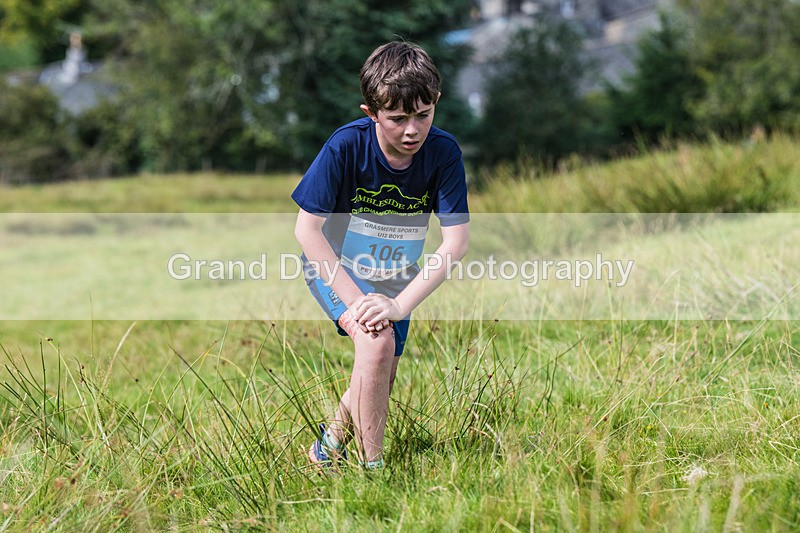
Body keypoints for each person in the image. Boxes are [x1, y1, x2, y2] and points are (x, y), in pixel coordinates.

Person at [292, 41, 470, 470]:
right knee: (376, 345)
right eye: (397, 119)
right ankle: (373, 471)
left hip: (396, 277)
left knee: (380, 371)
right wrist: (358, 304)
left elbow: (455, 243)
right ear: (371, 112)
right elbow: (307, 231)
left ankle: (327, 448)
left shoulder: (444, 153)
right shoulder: (344, 147)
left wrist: (397, 303)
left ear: (436, 103)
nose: (413, 130)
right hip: (336, 267)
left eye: (423, 115)